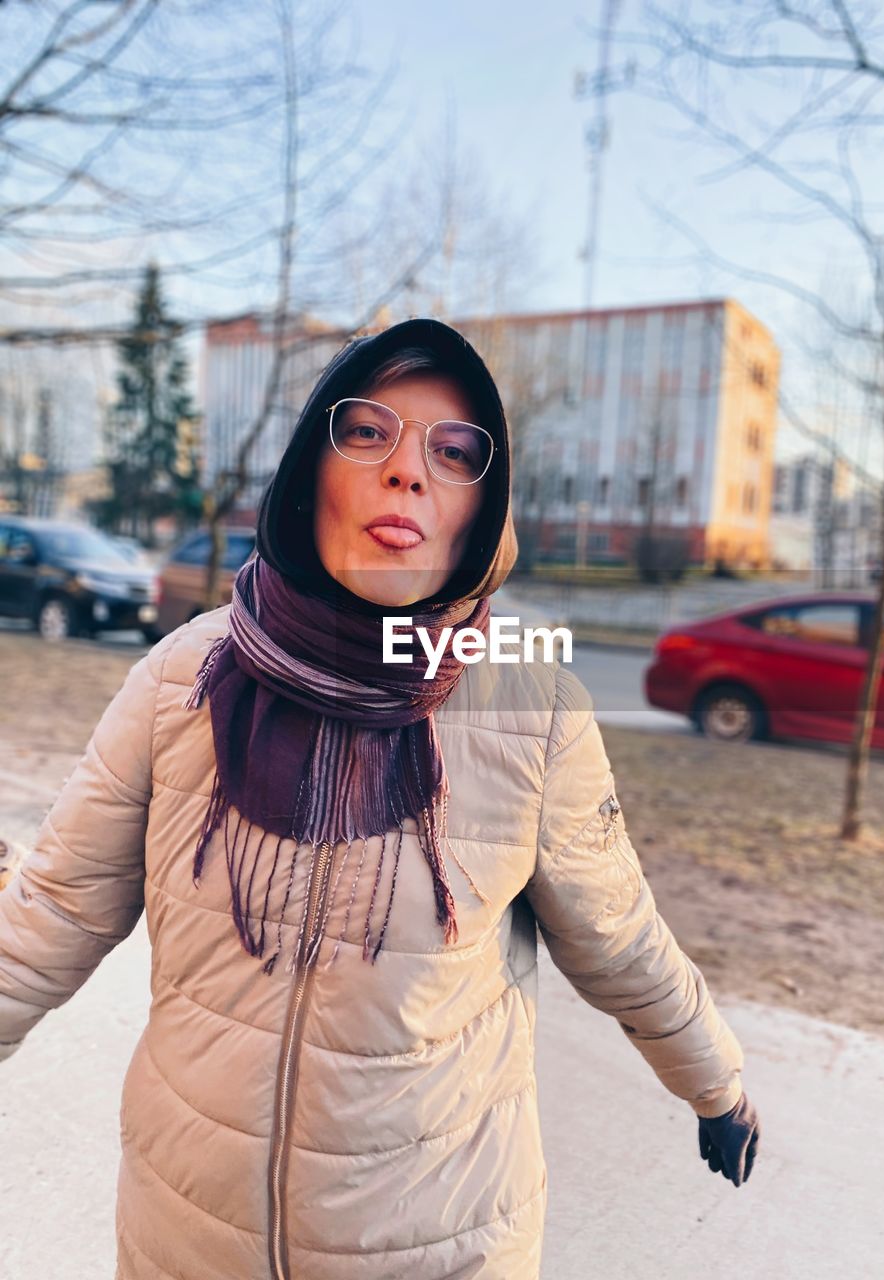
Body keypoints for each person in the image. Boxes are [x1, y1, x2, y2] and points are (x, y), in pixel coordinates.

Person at [0, 317, 759, 1279]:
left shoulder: (534, 707)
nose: (409, 471)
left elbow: (621, 937)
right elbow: (53, 909)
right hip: (184, 1238)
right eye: (367, 433)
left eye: (454, 453)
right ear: (308, 469)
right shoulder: (182, 678)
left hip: (436, 1249)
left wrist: (717, 1085)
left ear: (483, 514)